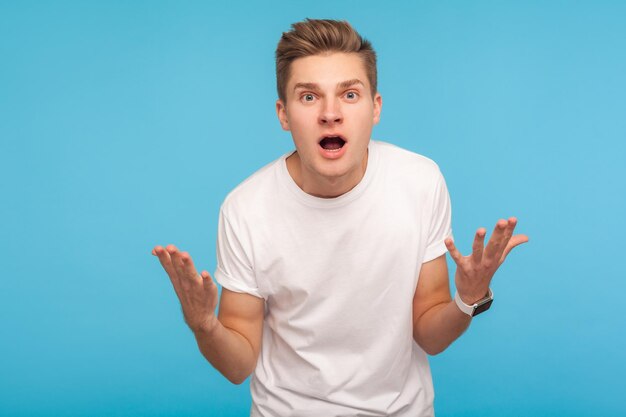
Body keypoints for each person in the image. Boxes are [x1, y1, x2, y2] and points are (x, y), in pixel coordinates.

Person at [152, 18, 528, 417]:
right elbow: (238, 363)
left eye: (349, 94)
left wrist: (468, 298)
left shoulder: (420, 181)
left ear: (375, 107)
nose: (330, 114)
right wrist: (203, 326)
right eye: (309, 97)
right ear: (283, 114)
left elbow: (429, 334)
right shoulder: (245, 209)